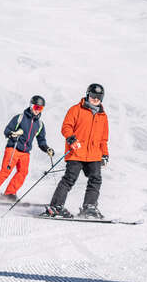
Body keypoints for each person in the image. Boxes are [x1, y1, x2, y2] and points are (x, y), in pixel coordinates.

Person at [41, 84, 109, 219]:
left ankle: (89, 207)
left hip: (94, 154)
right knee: (69, 179)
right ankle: (56, 207)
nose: (95, 99)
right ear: (88, 94)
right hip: (76, 152)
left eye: (99, 97)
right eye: (93, 96)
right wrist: (71, 138)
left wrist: (105, 154)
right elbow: (66, 126)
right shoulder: (76, 110)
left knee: (95, 180)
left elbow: (103, 138)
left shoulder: (103, 116)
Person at [0, 95, 53, 202]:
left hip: (25, 153)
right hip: (13, 148)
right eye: (36, 107)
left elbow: (41, 140)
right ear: (31, 106)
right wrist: (12, 134)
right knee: (5, 171)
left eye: (40, 108)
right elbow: (7, 130)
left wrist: (47, 149)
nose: (38, 111)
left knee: (22, 173)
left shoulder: (40, 124)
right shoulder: (20, 118)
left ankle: (9, 194)